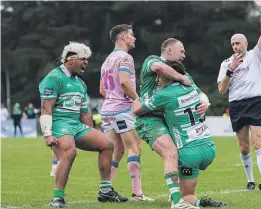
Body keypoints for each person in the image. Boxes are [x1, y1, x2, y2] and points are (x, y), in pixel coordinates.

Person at [39, 41, 128, 208]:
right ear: (71, 60)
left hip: (76, 125)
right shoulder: (53, 78)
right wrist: (48, 134)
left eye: (87, 59)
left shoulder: (80, 83)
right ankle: (57, 198)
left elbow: (85, 113)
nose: (86, 62)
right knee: (69, 152)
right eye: (83, 59)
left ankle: (105, 191)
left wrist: (91, 131)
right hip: (59, 123)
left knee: (107, 145)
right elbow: (46, 109)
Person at [133, 61, 226, 208]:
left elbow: (137, 111)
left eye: (159, 76)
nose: (157, 80)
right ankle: (202, 203)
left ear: (169, 76)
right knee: (188, 195)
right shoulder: (192, 88)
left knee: (182, 195)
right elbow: (202, 97)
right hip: (208, 148)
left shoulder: (163, 95)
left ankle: (177, 202)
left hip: (188, 153)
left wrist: (137, 98)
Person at [217, 0, 261, 192]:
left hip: (255, 102)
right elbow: (222, 89)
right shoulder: (225, 63)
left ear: (246, 43)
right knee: (243, 147)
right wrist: (231, 70)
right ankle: (250, 181)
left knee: (257, 142)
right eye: (232, 44)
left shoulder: (255, 55)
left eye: (238, 43)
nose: (235, 46)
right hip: (237, 105)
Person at [99, 24, 153, 201]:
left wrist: (113, 99)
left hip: (107, 110)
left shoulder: (107, 60)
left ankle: (106, 190)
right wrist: (138, 99)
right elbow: (124, 82)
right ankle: (137, 193)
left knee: (116, 150)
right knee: (134, 147)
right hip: (122, 109)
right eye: (131, 35)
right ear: (123, 37)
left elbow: (102, 89)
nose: (134, 38)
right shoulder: (125, 58)